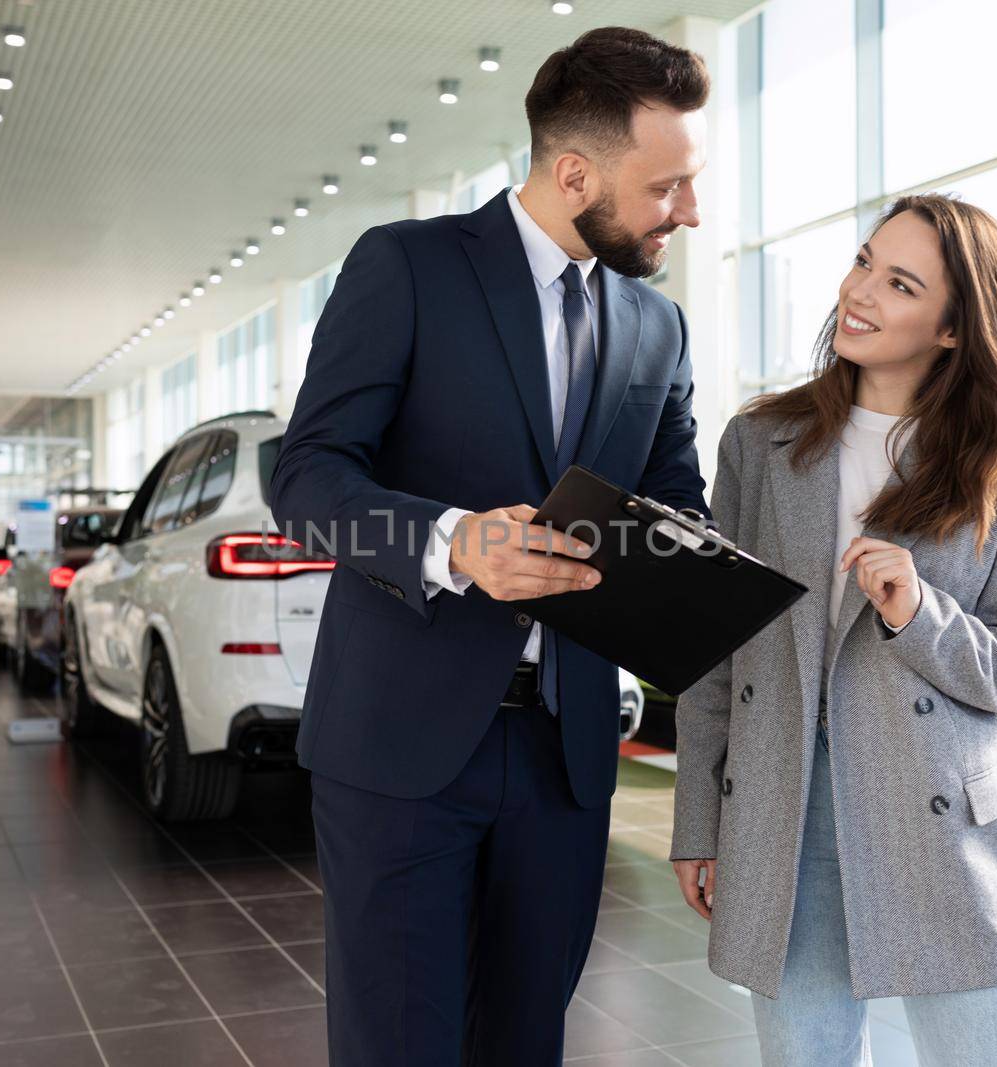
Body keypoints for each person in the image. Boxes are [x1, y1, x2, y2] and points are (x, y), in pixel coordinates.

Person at [269, 27, 710, 1066]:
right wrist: (451, 542)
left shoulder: (659, 328)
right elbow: (305, 478)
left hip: (563, 755)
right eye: (668, 187)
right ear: (573, 174)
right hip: (399, 748)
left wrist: (701, 575)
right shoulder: (406, 267)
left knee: (525, 1044)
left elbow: (677, 508)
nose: (689, 212)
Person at [670, 194, 997, 1066]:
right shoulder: (761, 442)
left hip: (937, 814)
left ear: (954, 328)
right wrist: (698, 820)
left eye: (899, 282)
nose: (861, 291)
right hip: (781, 807)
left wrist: (919, 612)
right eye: (862, 261)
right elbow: (715, 650)